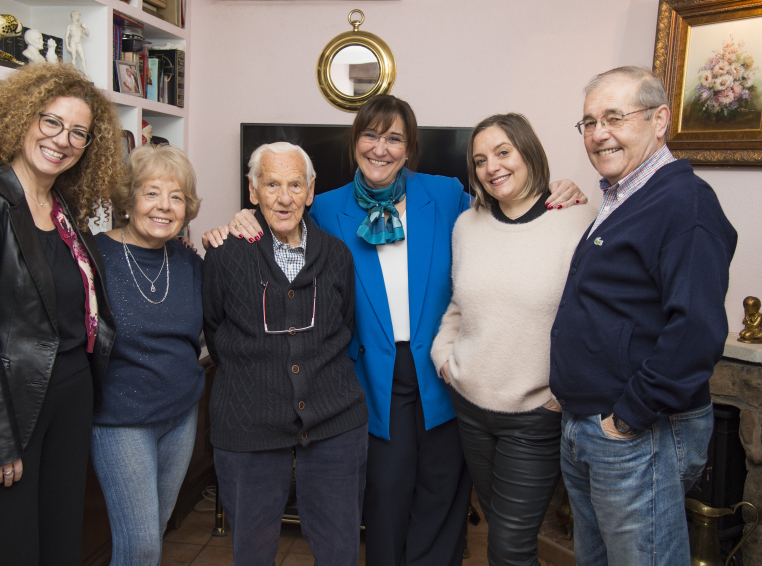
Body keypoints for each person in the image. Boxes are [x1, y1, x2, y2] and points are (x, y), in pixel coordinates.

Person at [203, 94, 587, 566]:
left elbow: (509, 213)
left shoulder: (446, 194)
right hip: (369, 378)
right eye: (370, 135)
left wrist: (558, 190)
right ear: (355, 143)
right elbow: (279, 225)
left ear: (410, 148)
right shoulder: (323, 206)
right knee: (384, 499)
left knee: (443, 494)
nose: (380, 148)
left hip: (443, 372)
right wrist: (242, 218)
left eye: (394, 138)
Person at [0, 62, 121, 565]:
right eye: (51, 121)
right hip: (8, 409)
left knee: (60, 550)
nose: (63, 139)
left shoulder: (61, 207)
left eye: (79, 132)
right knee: (8, 555)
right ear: (19, 119)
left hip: (69, 400)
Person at [550, 66, 737, 565]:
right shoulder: (620, 197)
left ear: (660, 121)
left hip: (636, 431)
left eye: (614, 117)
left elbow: (696, 331)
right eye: (589, 122)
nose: (598, 133)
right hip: (590, 423)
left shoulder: (685, 203)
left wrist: (627, 419)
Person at [430, 113, 595, 566]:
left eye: (503, 152)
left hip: (534, 415)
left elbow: (593, 318)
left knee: (508, 547)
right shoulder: (469, 225)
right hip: (471, 406)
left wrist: (563, 393)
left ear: (528, 152)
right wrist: (443, 355)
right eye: (480, 159)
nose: (492, 167)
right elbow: (459, 304)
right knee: (505, 531)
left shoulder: (577, 219)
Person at [202, 142, 369, 565]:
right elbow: (216, 329)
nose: (284, 197)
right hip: (248, 422)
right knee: (252, 551)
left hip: (335, 421)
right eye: (272, 184)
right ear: (253, 190)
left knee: (339, 549)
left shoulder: (336, 255)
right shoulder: (224, 254)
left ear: (311, 191)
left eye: (295, 184)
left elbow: (344, 326)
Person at [90, 144, 204, 566]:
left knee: (153, 532)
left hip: (181, 413)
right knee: (140, 545)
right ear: (129, 198)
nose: (164, 206)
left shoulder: (190, 263)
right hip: (120, 421)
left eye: (176, 197)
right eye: (152, 192)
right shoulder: (94, 257)